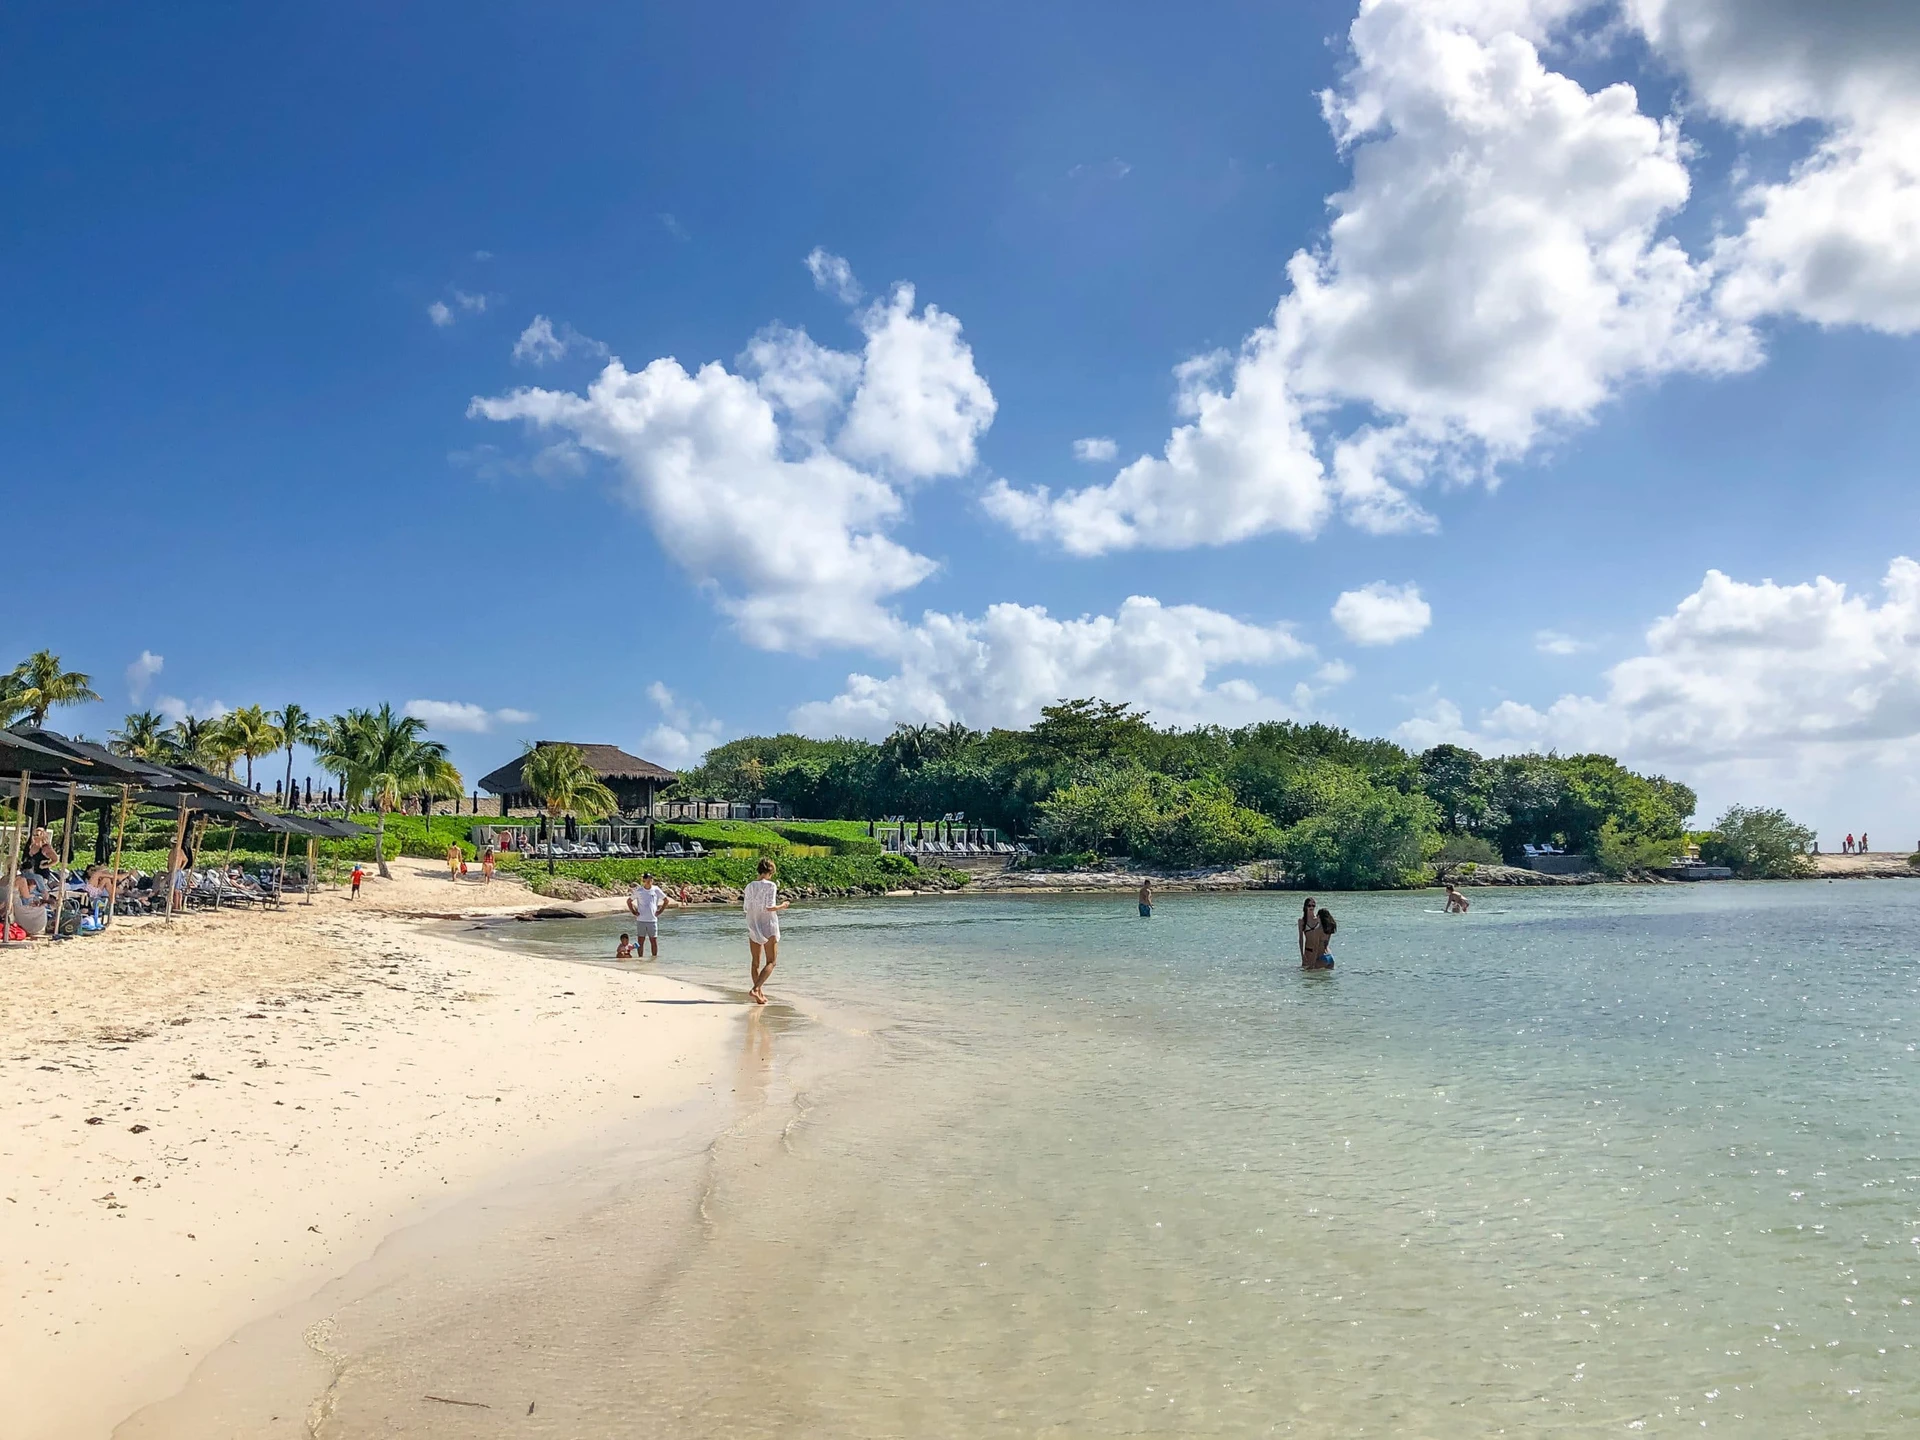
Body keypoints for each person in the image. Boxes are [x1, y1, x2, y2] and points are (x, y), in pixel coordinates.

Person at [743, 857, 789, 1005]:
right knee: (772, 961)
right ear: (770, 872)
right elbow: (770, 907)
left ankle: (759, 994)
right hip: (768, 925)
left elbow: (746, 908)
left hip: (753, 924)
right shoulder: (771, 885)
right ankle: (756, 989)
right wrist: (782, 906)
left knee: (755, 962)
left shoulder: (749, 886)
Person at [626, 872, 673, 958]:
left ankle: (654, 959)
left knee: (653, 941)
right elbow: (629, 901)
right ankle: (640, 958)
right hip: (641, 920)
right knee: (640, 941)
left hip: (652, 920)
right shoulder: (639, 890)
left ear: (652, 880)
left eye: (649, 880)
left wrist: (660, 911)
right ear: (643, 880)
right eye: (645, 880)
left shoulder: (656, 889)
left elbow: (666, 900)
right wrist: (633, 912)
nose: (647, 882)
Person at [1297, 895, 1319, 966]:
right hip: (1308, 951)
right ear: (1305, 907)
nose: (1311, 907)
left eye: (1313, 905)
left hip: (1319, 951)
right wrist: (1302, 955)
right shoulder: (1302, 921)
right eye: (1309, 905)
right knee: (1306, 974)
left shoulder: (1318, 919)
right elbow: (1301, 939)